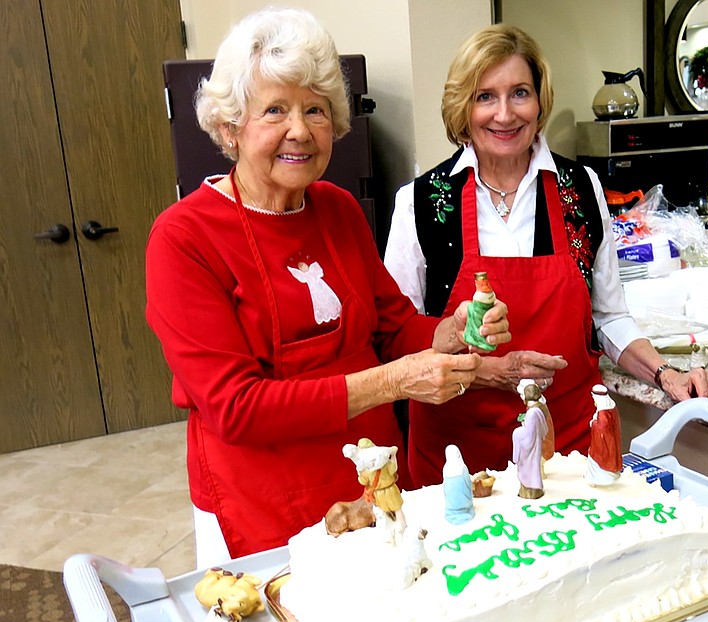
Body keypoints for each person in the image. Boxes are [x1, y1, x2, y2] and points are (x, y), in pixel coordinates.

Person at [145, 8, 510, 564]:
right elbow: (235, 407)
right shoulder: (184, 237)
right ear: (229, 127)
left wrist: (448, 332)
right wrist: (392, 383)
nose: (300, 130)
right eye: (274, 110)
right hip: (260, 498)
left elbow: (392, 327)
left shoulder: (337, 209)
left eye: (315, 109)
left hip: (373, 477)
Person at [384, 24, 708, 487]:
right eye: (485, 96)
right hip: (457, 463)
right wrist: (489, 372)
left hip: (570, 457)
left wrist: (665, 373)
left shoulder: (581, 189)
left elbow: (609, 317)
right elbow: (397, 337)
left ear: (539, 101)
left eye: (519, 93)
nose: (504, 114)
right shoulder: (422, 202)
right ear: (463, 105)